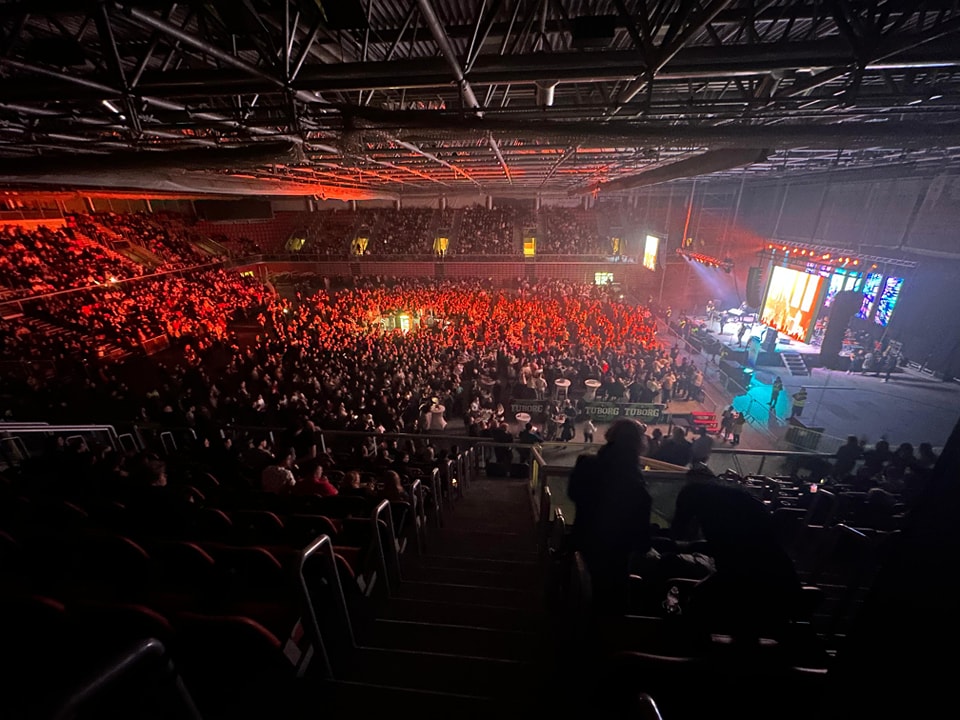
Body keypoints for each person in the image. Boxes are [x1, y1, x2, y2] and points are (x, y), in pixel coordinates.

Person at [670, 475, 803, 638]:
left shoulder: (715, 518)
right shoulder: (743, 511)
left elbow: (729, 564)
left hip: (758, 594)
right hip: (783, 589)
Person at [567, 419, 652, 613]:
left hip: (583, 542)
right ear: (638, 444)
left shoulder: (586, 464)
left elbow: (574, 494)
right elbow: (642, 540)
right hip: (615, 560)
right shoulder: (636, 482)